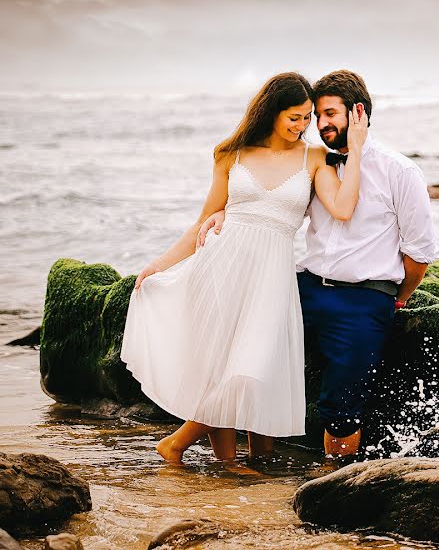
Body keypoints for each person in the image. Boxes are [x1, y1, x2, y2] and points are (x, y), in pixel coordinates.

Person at [121, 72, 368, 465]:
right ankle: (229, 465)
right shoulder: (230, 154)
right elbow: (206, 216)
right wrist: (160, 263)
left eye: (307, 118)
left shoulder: (313, 158)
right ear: (271, 112)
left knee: (249, 370)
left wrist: (355, 149)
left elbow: (342, 207)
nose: (302, 126)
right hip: (221, 264)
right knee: (221, 367)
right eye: (294, 117)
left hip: (272, 276)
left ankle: (176, 443)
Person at [198, 70, 439, 460]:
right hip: (304, 287)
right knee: (244, 357)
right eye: (316, 116)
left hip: (363, 301)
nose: (320, 124)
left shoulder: (401, 171)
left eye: (330, 114)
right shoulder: (317, 162)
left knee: (341, 411)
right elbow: (268, 199)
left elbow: (420, 252)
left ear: (357, 113)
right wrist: (225, 214)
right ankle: (246, 461)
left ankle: (329, 487)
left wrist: (398, 298)